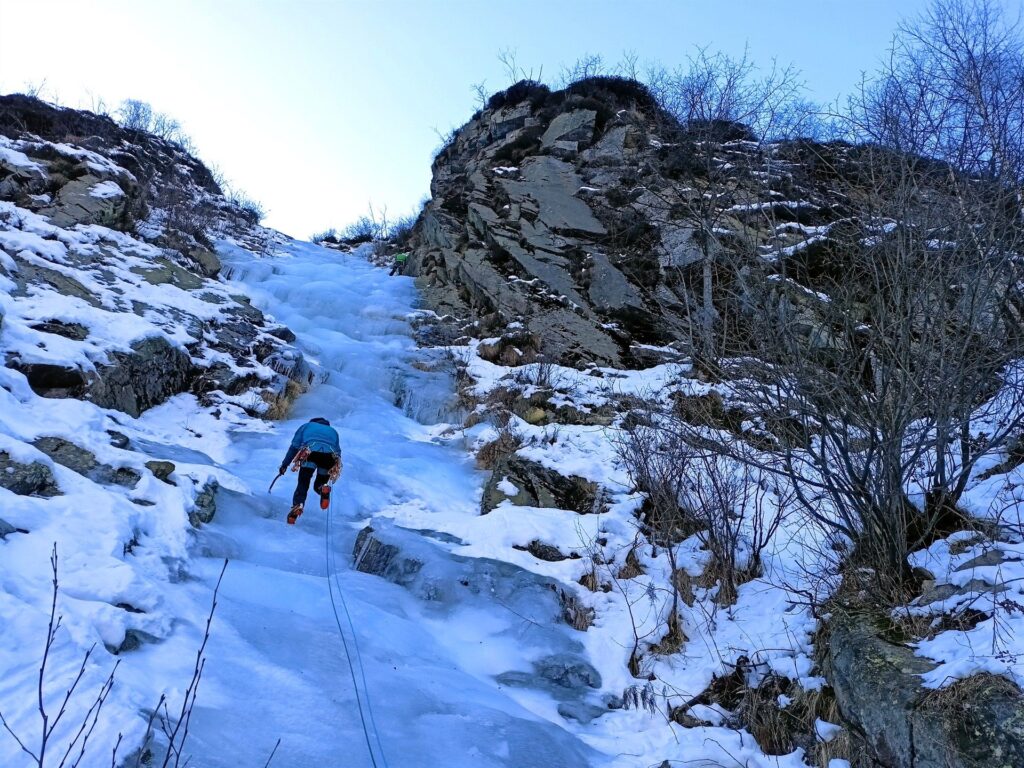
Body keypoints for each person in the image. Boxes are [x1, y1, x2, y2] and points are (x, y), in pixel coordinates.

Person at [280, 417, 342, 524]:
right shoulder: (333, 432)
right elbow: (338, 452)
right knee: (319, 483)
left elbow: (294, 447)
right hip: (329, 457)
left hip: (310, 454)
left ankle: (298, 504)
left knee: (303, 482)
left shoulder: (307, 426)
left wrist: (284, 465)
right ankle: (322, 488)